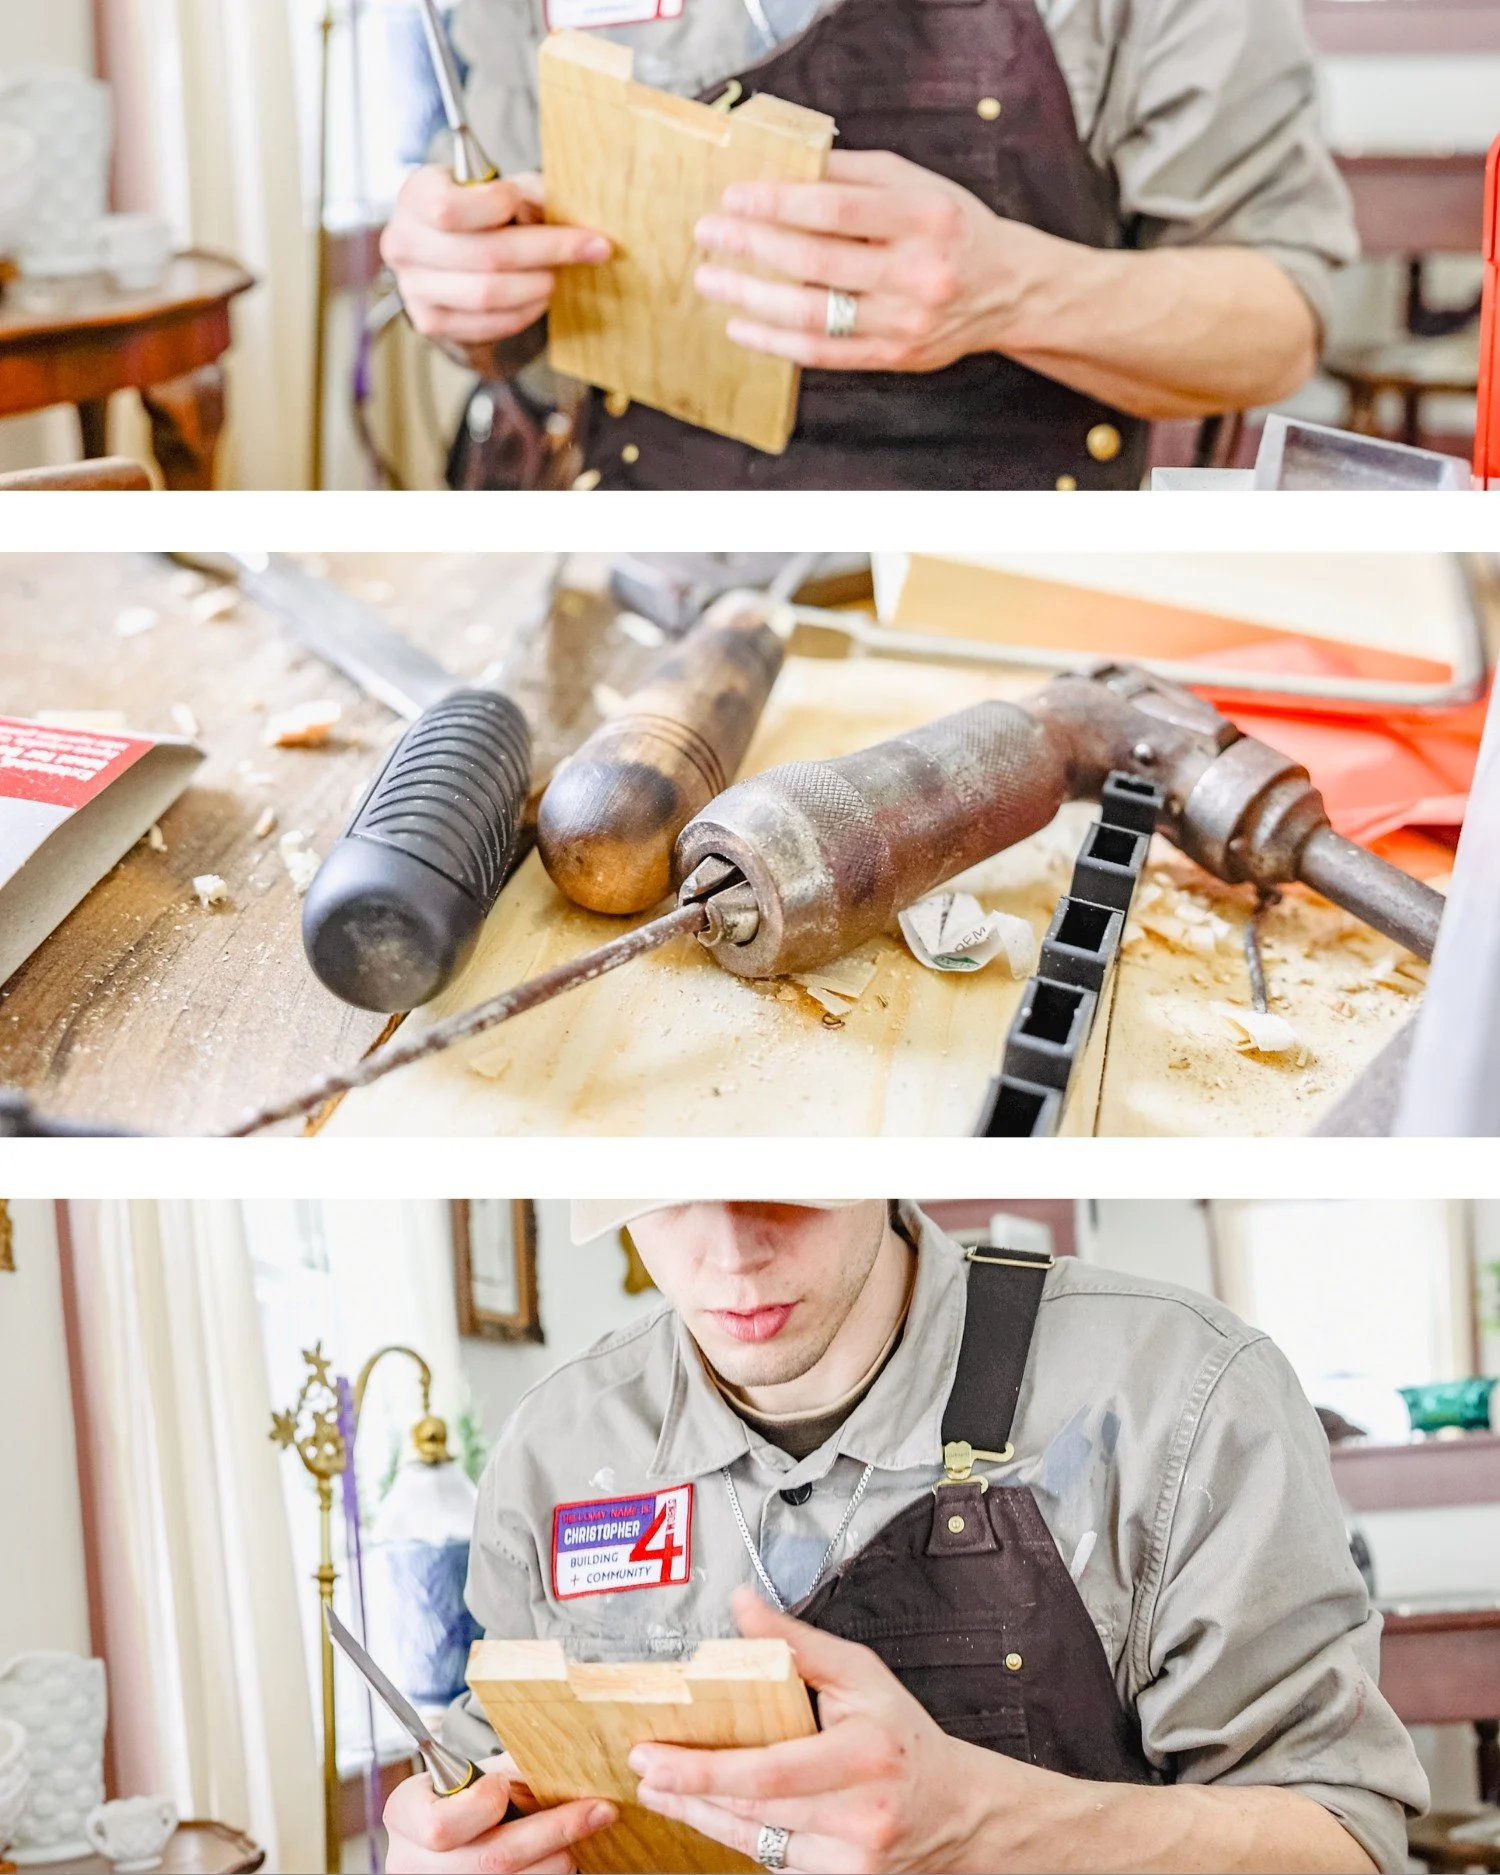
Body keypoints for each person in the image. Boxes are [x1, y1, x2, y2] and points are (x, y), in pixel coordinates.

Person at [385, 1200, 1426, 1874]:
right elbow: (489, 1765)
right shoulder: (557, 1447)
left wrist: (983, 1826)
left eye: (785, 1186)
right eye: (666, 1197)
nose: (733, 1254)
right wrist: (445, 1846)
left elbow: (1345, 1838)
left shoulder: (1175, 1391)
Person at [381, 0, 1358, 490]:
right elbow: (503, 276)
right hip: (649, 556)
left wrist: (1014, 294)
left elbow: (1279, 322)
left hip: (1007, 582)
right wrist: (467, 290)